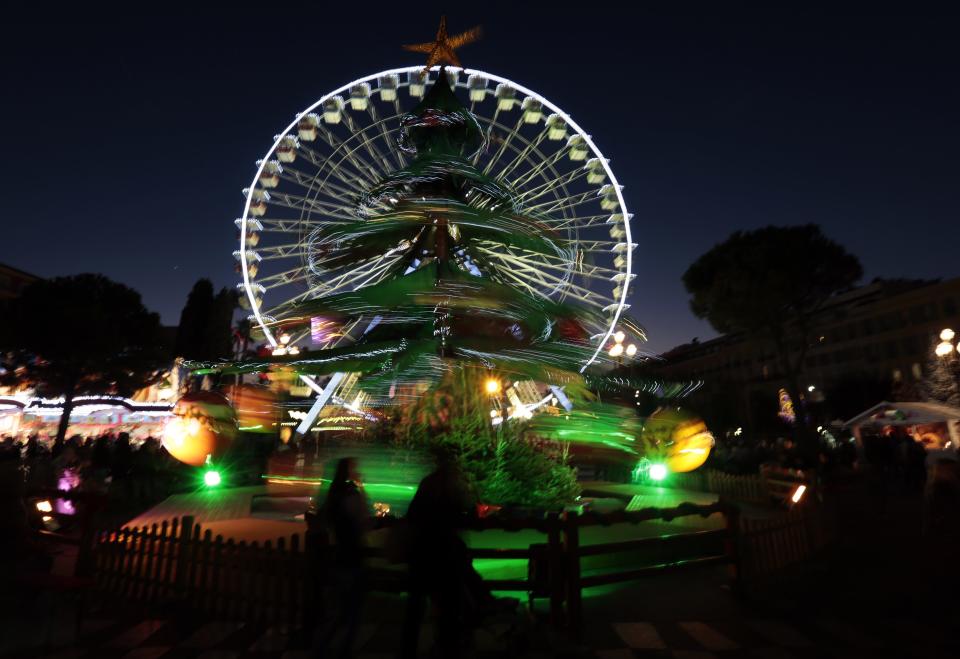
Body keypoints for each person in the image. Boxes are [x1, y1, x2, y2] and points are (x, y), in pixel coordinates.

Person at [314, 457, 369, 659]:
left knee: (337, 610)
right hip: (352, 556)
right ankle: (341, 650)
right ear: (349, 472)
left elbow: (322, 520)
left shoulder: (333, 494)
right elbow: (365, 519)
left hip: (336, 556)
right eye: (355, 468)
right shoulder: (351, 494)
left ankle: (320, 648)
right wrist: (362, 488)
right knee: (352, 611)